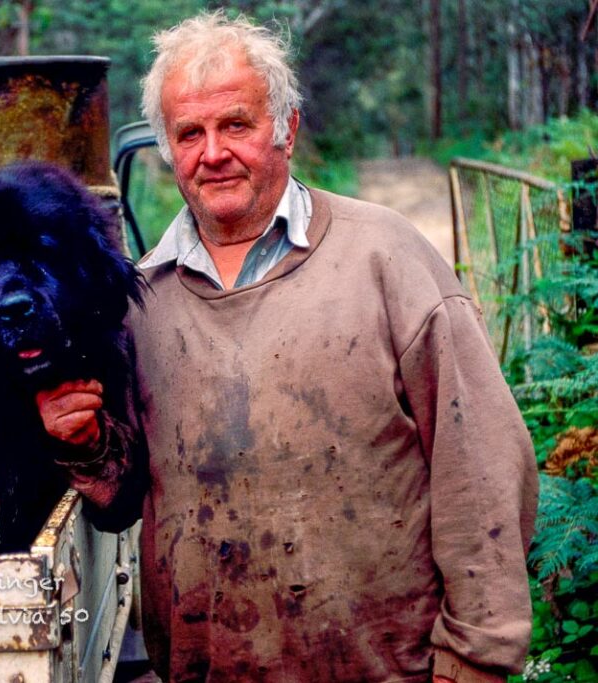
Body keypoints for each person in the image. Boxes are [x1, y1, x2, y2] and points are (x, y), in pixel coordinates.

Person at [36, 11, 539, 683]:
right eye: (190, 133)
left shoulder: (385, 258)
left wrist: (474, 658)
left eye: (236, 124)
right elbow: (125, 499)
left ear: (287, 129)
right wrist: (83, 442)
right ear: (168, 152)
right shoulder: (142, 301)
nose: (212, 152)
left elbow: (481, 466)